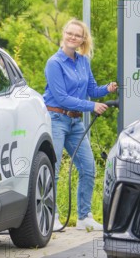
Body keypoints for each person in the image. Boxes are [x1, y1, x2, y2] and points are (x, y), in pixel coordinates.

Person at [43, 18, 117, 231]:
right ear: (64, 34)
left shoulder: (83, 61)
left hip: (75, 121)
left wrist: (107, 89)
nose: (73, 37)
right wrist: (92, 106)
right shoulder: (54, 63)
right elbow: (61, 97)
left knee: (88, 167)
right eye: (70, 33)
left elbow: (92, 90)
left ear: (83, 39)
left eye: (78, 35)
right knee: (53, 169)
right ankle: (51, 217)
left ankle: (84, 217)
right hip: (56, 118)